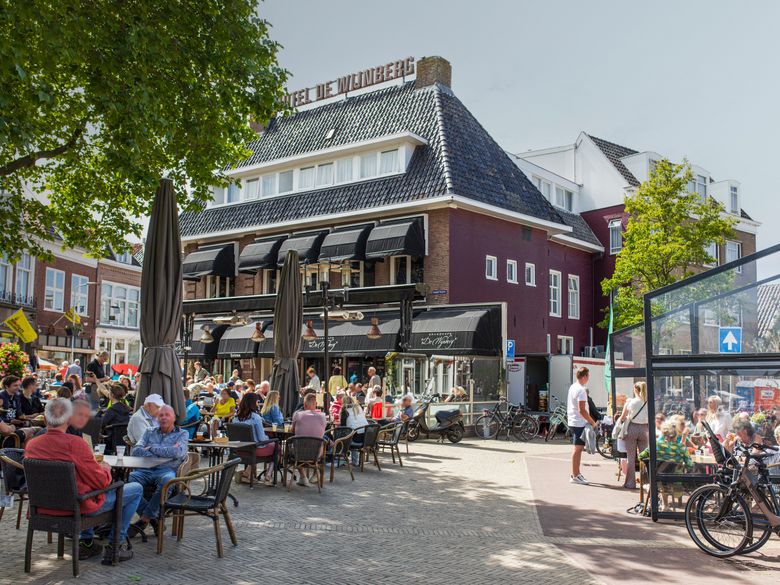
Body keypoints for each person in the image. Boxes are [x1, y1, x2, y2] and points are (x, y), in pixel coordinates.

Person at [25, 398, 142, 563]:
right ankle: (115, 546)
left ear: (45, 419)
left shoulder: (32, 445)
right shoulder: (75, 444)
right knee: (135, 488)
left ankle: (87, 542)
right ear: (68, 419)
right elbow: (101, 482)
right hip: (76, 508)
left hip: (42, 507)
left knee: (86, 486)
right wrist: (106, 468)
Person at [129, 405, 188, 535]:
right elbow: (136, 450)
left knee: (168, 481)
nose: (164, 418)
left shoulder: (182, 434)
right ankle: (153, 519)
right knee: (130, 480)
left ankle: (145, 518)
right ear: (157, 418)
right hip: (145, 470)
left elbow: (177, 452)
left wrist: (151, 448)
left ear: (174, 418)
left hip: (166, 470)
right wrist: (164, 453)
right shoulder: (149, 431)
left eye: (167, 415)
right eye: (161, 415)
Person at [234, 393, 276, 485]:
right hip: (254, 449)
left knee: (256, 444)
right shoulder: (256, 417)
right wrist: (269, 438)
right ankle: (268, 475)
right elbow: (262, 438)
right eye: (257, 402)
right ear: (253, 403)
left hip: (239, 449)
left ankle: (247, 473)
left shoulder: (235, 418)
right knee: (277, 447)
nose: (258, 404)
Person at [567, 367, 597, 485]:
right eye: (588, 375)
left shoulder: (573, 387)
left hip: (574, 421)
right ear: (585, 376)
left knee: (577, 449)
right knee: (578, 449)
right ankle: (575, 475)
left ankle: (576, 474)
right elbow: (582, 410)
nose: (588, 378)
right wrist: (592, 422)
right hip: (579, 422)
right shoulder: (581, 390)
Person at [291, 393, 327, 486]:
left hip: (299, 453)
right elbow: (322, 431)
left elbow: (292, 430)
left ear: (304, 404)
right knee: (322, 442)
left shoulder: (297, 415)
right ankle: (315, 474)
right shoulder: (323, 417)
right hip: (316, 454)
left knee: (292, 446)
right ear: (316, 404)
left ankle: (303, 477)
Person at [619, 381, 649, 489]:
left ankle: (630, 483)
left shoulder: (631, 402)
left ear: (635, 390)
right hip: (645, 429)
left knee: (631, 458)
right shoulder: (648, 402)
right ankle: (645, 482)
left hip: (632, 429)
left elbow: (623, 417)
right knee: (645, 457)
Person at [341, 394, 368, 466]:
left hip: (356, 439)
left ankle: (341, 457)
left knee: (340, 437)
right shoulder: (358, 408)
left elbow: (342, 427)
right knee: (352, 433)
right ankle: (354, 460)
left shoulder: (345, 410)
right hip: (366, 437)